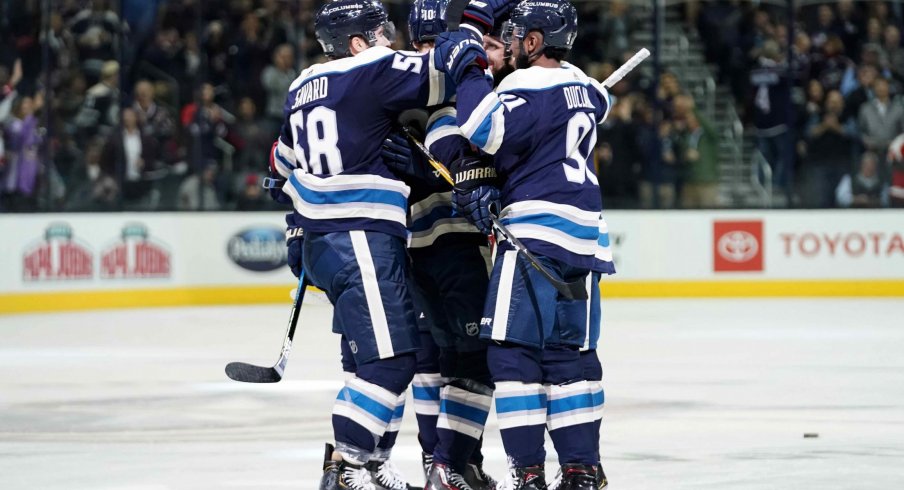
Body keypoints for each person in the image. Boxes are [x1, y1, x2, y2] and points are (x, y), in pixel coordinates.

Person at [263, 1, 473, 489]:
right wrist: (466, 33)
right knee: (392, 361)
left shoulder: (301, 86)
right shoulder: (373, 68)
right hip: (359, 238)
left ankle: (374, 463)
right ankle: (346, 465)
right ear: (357, 43)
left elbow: (280, 164)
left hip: (325, 242)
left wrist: (297, 224)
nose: (389, 40)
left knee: (367, 359)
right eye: (380, 33)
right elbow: (445, 69)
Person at [433, 0, 611, 487]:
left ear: (533, 43)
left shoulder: (526, 85)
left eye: (514, 37)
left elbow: (483, 128)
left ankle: (528, 472)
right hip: (587, 240)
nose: (508, 45)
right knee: (571, 357)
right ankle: (581, 470)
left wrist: (469, 69)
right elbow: (598, 100)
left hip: (534, 237)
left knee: (512, 356)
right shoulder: (585, 90)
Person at [375, 1, 498, 488]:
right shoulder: (460, 87)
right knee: (469, 360)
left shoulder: (394, 88)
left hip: (412, 248)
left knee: (433, 359)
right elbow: (465, 152)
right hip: (454, 246)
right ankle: (450, 464)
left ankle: (442, 463)